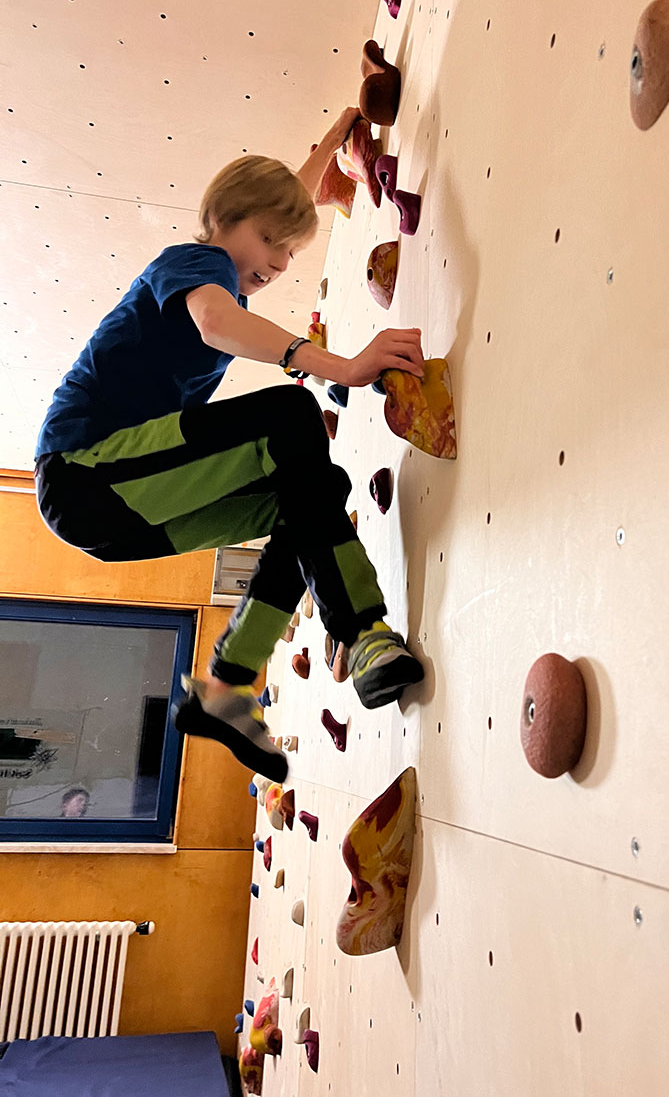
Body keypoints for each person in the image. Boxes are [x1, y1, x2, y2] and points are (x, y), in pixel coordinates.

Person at [34, 106, 425, 783]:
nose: (279, 262)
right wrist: (340, 364)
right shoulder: (193, 263)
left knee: (306, 498)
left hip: (119, 510)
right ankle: (363, 633)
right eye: (273, 243)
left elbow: (270, 205)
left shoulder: (232, 248)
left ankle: (227, 684)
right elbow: (217, 323)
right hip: (84, 472)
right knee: (289, 416)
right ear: (223, 222)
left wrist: (329, 144)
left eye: (291, 252)